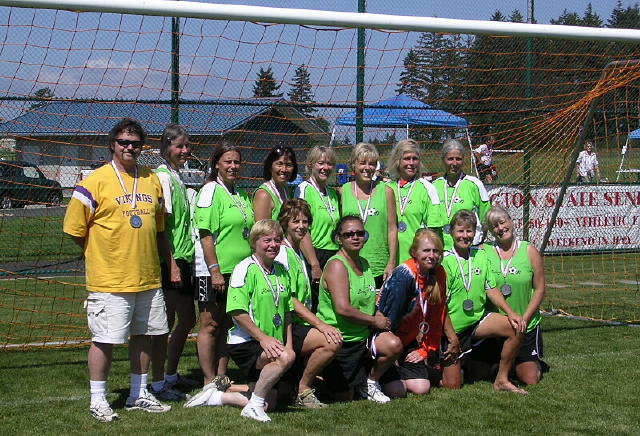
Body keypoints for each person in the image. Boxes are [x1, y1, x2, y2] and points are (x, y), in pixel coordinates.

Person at [63, 118, 171, 422]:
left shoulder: (152, 179)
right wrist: (97, 252)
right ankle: (98, 399)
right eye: (124, 142)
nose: (129, 147)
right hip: (109, 278)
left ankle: (138, 393)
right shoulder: (93, 181)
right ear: (113, 144)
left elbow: (159, 226)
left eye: (135, 143)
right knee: (105, 339)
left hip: (147, 276)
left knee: (144, 335)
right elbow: (73, 229)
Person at [440, 210, 527, 394]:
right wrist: (452, 337)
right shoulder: (445, 262)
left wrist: (511, 313)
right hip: (452, 329)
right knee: (452, 385)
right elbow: (439, 306)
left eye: (469, 231)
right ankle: (432, 367)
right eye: (460, 231)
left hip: (478, 321)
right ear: (451, 232)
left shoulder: (480, 255)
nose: (465, 236)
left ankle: (501, 380)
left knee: (516, 326)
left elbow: (491, 288)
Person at [317, 216, 402, 403]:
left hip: (364, 336)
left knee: (394, 345)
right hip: (341, 339)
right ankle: (315, 380)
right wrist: (374, 321)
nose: (355, 237)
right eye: (348, 234)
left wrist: (376, 313)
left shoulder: (364, 263)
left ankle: (370, 382)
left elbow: (367, 300)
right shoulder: (337, 265)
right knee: (344, 397)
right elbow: (343, 309)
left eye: (359, 233)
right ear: (339, 239)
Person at [193, 143, 254, 392]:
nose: (232, 166)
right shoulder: (210, 190)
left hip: (237, 271)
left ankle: (221, 376)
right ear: (216, 163)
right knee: (210, 324)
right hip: (213, 271)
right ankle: (208, 380)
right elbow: (205, 234)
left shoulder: (239, 193)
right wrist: (215, 270)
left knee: (227, 324)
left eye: (236, 162)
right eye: (227, 161)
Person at [275, 199, 342, 408]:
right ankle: (303, 389)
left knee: (278, 396)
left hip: (299, 323)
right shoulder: (283, 254)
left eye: (305, 221)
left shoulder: (298, 251)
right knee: (331, 341)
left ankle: (301, 384)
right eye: (295, 221)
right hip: (288, 326)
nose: (301, 226)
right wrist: (320, 324)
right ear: (285, 223)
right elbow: (291, 300)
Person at [227, 219, 296, 422]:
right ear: (254, 242)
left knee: (271, 403)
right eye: (267, 240)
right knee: (283, 358)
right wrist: (263, 338)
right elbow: (236, 312)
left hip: (272, 342)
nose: (273, 245)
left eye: (277, 240)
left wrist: (289, 345)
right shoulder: (244, 268)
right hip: (246, 342)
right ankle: (253, 406)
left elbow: (288, 311)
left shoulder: (282, 270)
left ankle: (218, 395)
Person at [377, 229, 459, 396]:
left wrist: (425, 349)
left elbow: (437, 315)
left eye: (436, 251)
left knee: (422, 388)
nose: (431, 255)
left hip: (408, 340)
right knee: (397, 391)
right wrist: (393, 352)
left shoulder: (439, 272)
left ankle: (398, 372)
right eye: (426, 250)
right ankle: (373, 374)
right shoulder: (404, 274)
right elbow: (389, 317)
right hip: (387, 339)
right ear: (414, 252)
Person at [149, 124, 197, 400]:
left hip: (185, 256)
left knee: (187, 319)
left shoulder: (178, 177)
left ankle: (170, 374)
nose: (185, 150)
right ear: (166, 148)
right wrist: (172, 264)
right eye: (179, 146)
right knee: (165, 322)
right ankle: (158, 382)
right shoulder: (164, 177)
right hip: (173, 259)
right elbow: (162, 226)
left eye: (187, 146)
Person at [483, 205, 547, 385]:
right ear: (490, 231)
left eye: (502, 222)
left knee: (530, 379)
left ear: (511, 221)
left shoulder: (529, 251)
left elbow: (540, 289)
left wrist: (524, 317)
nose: (500, 228)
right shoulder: (484, 252)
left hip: (524, 323)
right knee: (477, 373)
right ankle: (505, 362)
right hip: (498, 324)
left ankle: (530, 361)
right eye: (494, 226)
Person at [340, 143, 398, 287]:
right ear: (354, 165)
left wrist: (391, 262)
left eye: (372, 164)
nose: (367, 168)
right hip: (350, 262)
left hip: (379, 265)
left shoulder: (386, 191)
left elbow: (392, 228)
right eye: (362, 163)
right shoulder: (343, 191)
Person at [294, 145, 341, 309]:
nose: (325, 168)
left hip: (333, 253)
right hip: (313, 254)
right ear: (310, 164)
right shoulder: (304, 189)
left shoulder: (332, 194)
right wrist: (314, 264)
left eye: (329, 164)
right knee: (315, 304)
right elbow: (302, 230)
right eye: (321, 163)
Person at [386, 139, 445, 263]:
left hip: (416, 262)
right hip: (388, 261)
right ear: (398, 161)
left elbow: (434, 233)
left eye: (415, 158)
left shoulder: (428, 189)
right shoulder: (386, 188)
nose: (411, 163)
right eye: (407, 158)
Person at [433, 138, 490, 251]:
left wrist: (477, 242)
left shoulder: (475, 184)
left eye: (458, 159)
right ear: (443, 160)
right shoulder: (434, 186)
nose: (454, 163)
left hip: (467, 248)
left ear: (463, 160)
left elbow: (486, 220)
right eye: (450, 159)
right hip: (441, 248)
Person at [253, 146, 298, 221]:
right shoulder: (263, 195)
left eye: (288, 165)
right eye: (279, 164)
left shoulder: (287, 190)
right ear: (270, 166)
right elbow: (262, 231)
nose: (284, 169)